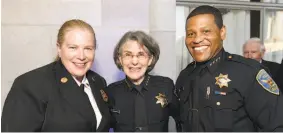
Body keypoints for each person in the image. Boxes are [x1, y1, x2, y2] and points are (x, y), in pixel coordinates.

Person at [175, 5, 283, 132]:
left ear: (222, 32)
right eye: (191, 34)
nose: (197, 39)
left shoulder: (248, 72)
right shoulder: (185, 76)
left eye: (206, 31)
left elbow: (276, 126)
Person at [1, 19, 111, 132]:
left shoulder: (98, 82)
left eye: (88, 48)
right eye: (73, 47)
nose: (81, 56)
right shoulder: (30, 85)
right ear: (59, 48)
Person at [105, 31, 180, 132]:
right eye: (128, 55)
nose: (134, 61)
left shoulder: (166, 85)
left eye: (141, 55)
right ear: (120, 59)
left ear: (150, 59)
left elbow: (183, 120)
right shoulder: (111, 91)